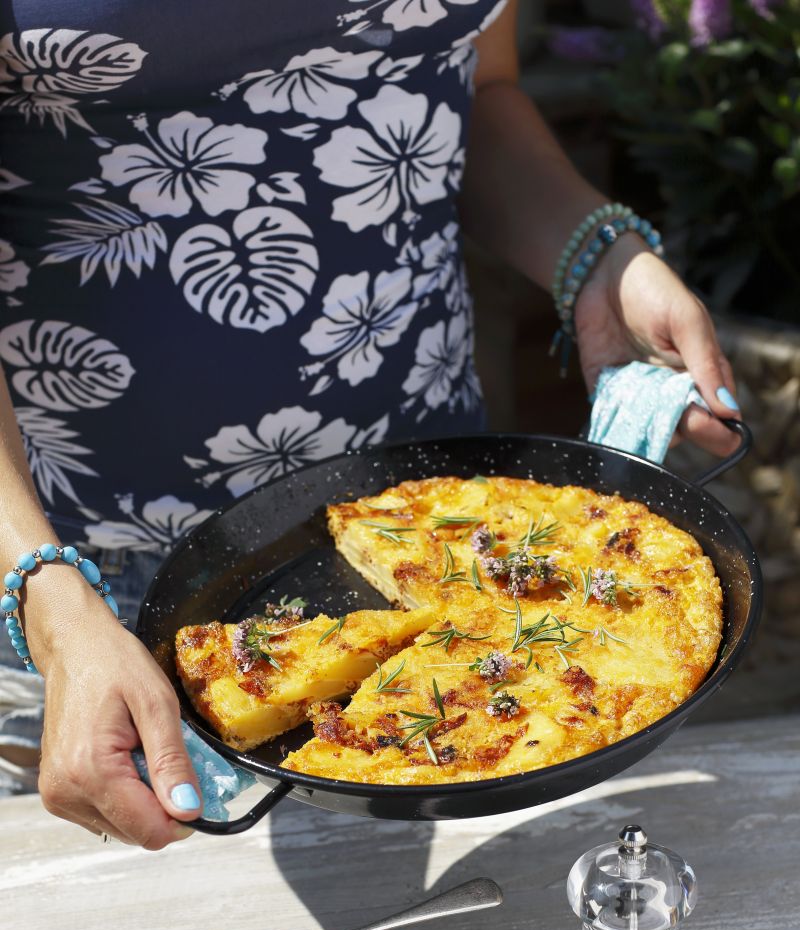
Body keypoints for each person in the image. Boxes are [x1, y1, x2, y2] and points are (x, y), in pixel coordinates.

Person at [0, 1, 739, 846]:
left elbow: (474, 86)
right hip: (83, 577)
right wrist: (50, 604)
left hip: (446, 520)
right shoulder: (63, 603)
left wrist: (596, 258)